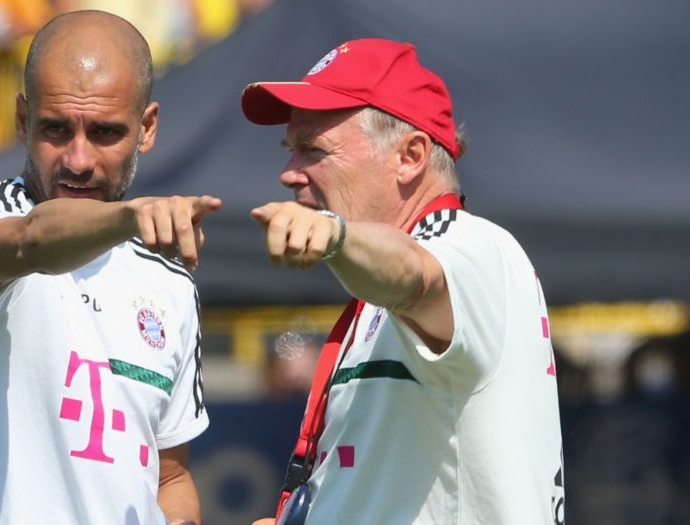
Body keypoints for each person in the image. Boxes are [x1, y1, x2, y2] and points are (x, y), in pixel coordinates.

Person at [0, 10, 220, 525]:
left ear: (147, 128)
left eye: (104, 132)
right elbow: (32, 242)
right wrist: (128, 217)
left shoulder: (169, 281)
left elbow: (170, 478)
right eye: (56, 128)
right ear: (23, 121)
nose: (78, 159)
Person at [241, 38, 565, 524]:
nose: (288, 173)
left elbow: (415, 276)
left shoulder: (472, 244)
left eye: (311, 149)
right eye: (290, 150)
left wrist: (335, 235)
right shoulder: (375, 289)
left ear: (411, 156)